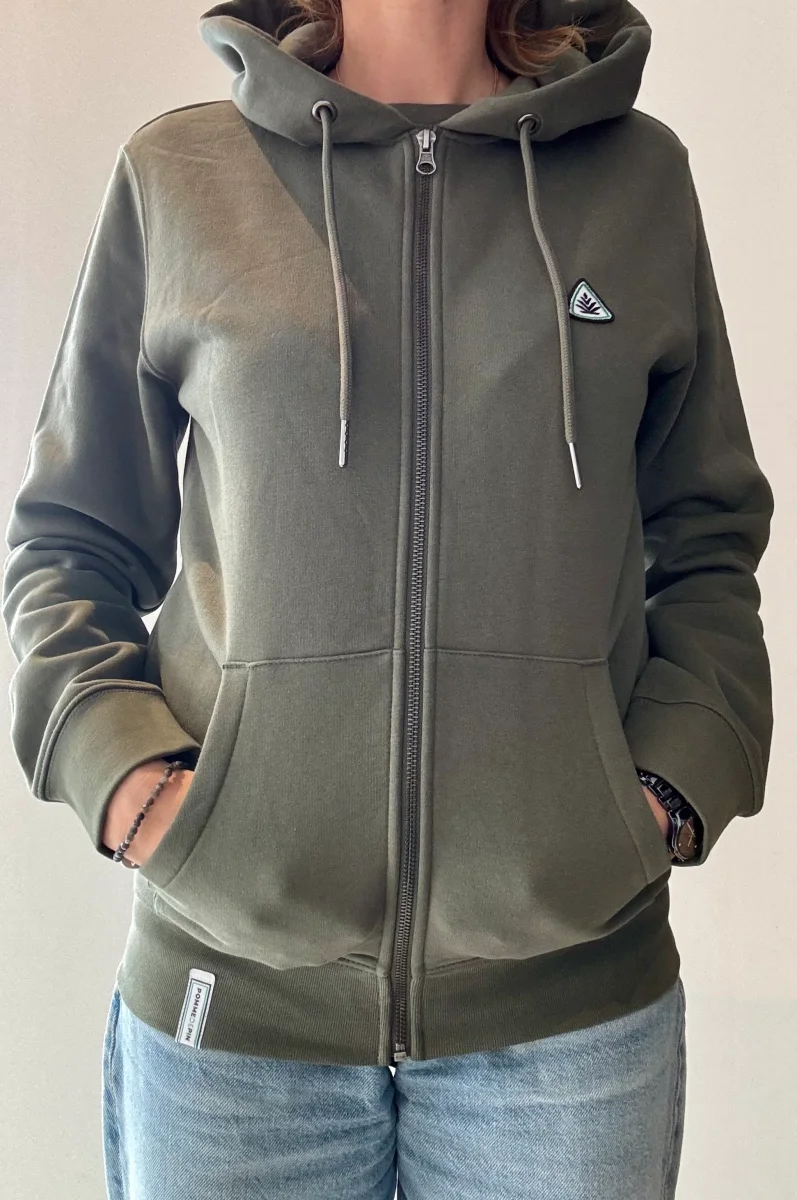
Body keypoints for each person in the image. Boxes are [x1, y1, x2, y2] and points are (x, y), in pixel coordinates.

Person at [2, 0, 774, 1196]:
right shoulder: (181, 174)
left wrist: (668, 787)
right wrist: (124, 780)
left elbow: (708, 530)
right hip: (231, 1022)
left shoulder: (635, 179)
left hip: (566, 1026)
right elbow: (69, 536)